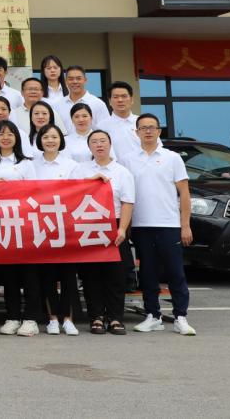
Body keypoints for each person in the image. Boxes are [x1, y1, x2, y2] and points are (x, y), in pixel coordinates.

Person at [125, 114, 195, 336]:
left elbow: (184, 193)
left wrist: (185, 225)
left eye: (152, 127)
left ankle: (180, 316)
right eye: (143, 128)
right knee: (148, 272)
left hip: (169, 224)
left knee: (175, 271)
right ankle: (153, 316)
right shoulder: (128, 159)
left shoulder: (172, 158)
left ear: (159, 131)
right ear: (136, 132)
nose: (147, 131)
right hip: (141, 225)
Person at [72, 130, 135, 335]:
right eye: (94, 142)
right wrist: (90, 181)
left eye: (103, 141)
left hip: (114, 224)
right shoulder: (80, 170)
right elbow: (71, 194)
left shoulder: (122, 172)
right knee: (91, 276)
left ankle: (115, 318)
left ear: (110, 144)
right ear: (89, 147)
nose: (99, 145)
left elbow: (127, 202)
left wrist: (122, 228)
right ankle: (96, 317)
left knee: (115, 275)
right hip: (88, 225)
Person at [0, 122, 45, 337]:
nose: (6, 137)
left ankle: (31, 318)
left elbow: (34, 192)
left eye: (10, 134)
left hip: (23, 223)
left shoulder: (26, 163)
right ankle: (12, 316)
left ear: (17, 138)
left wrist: (10, 187)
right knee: (8, 274)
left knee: (29, 274)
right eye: (1, 134)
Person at [28, 124, 81, 336]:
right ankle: (52, 319)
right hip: (41, 225)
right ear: (40, 140)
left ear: (61, 140)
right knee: (47, 274)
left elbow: (79, 191)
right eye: (46, 137)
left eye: (54, 137)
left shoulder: (72, 165)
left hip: (66, 225)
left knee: (68, 275)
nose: (50, 140)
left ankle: (68, 319)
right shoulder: (32, 166)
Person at [96, 81, 142, 163]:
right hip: (115, 169)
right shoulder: (102, 127)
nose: (120, 100)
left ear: (131, 100)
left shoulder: (142, 122)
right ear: (110, 101)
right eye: (116, 97)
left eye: (124, 96)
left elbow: (155, 147)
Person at [57, 65, 110, 132]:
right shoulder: (58, 105)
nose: (75, 82)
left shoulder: (98, 104)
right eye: (71, 79)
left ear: (85, 80)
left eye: (78, 78)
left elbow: (106, 130)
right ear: (66, 81)